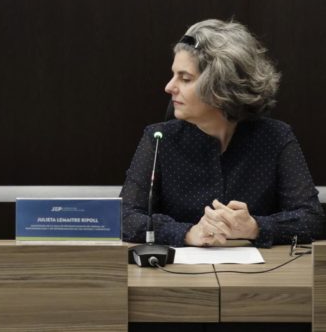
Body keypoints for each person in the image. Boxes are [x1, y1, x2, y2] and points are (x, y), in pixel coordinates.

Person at [121, 19, 324, 248]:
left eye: (185, 78)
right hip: (177, 276)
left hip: (260, 276)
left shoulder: (276, 138)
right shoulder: (158, 139)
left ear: (220, 88)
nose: (169, 87)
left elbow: (312, 219)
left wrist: (255, 227)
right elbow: (124, 217)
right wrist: (187, 232)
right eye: (173, 75)